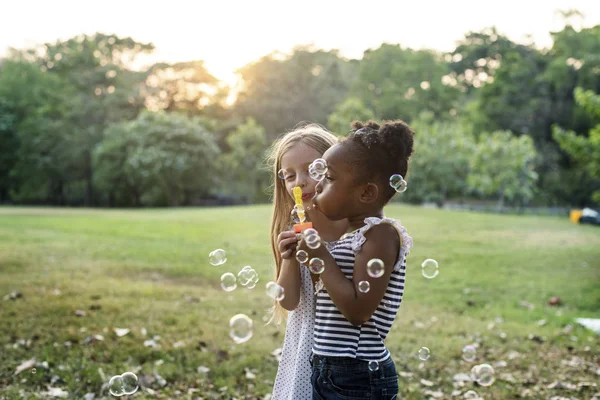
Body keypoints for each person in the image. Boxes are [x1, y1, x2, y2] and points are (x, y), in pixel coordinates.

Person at [297, 120, 415, 400]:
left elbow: (358, 310)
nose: (318, 184)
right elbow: (332, 294)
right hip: (329, 368)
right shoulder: (352, 238)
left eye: (329, 178)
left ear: (366, 193)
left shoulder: (381, 236)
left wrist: (320, 255)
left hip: (357, 375)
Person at [266, 123, 348, 400]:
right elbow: (288, 302)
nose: (299, 182)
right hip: (303, 349)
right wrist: (289, 259)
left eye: (311, 169)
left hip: (342, 351)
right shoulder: (293, 229)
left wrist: (321, 254)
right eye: (289, 176)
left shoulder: (354, 230)